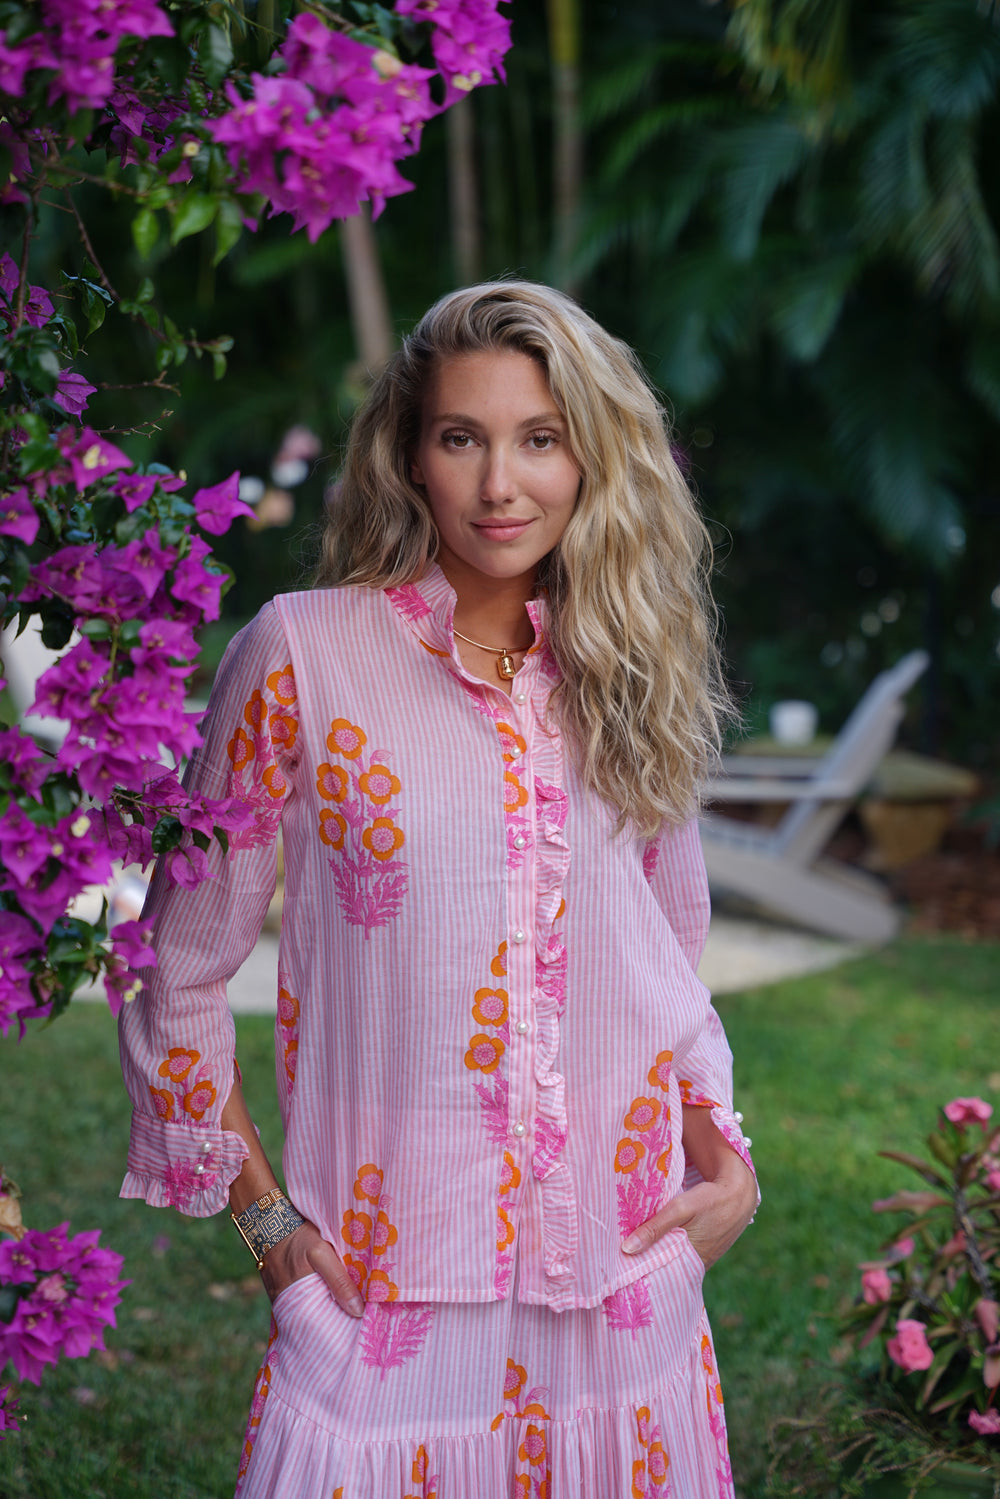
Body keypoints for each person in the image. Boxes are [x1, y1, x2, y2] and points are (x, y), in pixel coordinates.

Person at [118, 280, 759, 1498]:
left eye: (540, 438)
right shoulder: (302, 653)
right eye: (462, 437)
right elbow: (176, 969)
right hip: (380, 1286)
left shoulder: (630, 668)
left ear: (592, 456)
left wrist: (724, 1163)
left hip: (618, 1282)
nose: (499, 484)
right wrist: (270, 1233)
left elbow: (667, 958)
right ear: (411, 453)